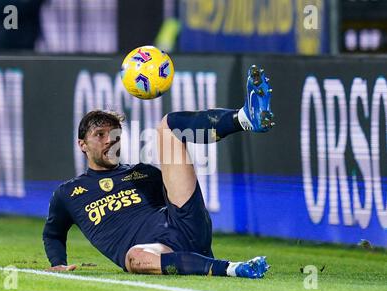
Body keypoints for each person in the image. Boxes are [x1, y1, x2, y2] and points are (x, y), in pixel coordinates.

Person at [43, 65, 274, 278]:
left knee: (168, 126)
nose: (109, 141)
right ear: (82, 144)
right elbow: (53, 233)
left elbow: (177, 192)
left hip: (185, 224)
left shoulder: (142, 173)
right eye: (100, 135)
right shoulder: (68, 193)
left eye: (115, 135)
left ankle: (244, 117)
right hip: (158, 251)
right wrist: (58, 262)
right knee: (134, 258)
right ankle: (233, 268)